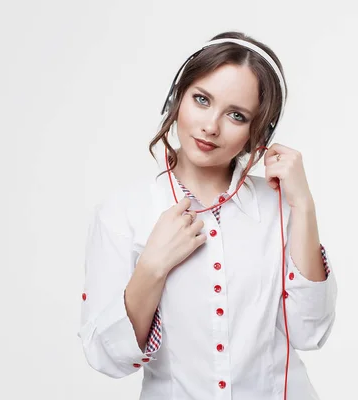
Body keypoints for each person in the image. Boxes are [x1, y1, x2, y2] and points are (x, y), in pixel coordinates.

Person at [78, 31, 338, 400]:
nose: (211, 126)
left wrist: (304, 205)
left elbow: (310, 333)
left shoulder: (280, 206)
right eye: (202, 100)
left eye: (236, 115)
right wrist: (152, 268)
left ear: (256, 132)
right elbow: (107, 357)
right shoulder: (121, 214)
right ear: (176, 99)